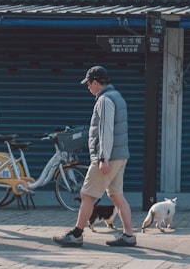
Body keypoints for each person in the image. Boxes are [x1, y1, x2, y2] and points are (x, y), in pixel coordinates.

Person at [53, 66, 137, 247]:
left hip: (109, 157)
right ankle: (129, 235)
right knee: (116, 195)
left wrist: (102, 157)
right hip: (120, 155)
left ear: (96, 83)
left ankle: (76, 234)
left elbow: (106, 130)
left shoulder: (105, 100)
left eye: (89, 84)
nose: (88, 88)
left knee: (87, 194)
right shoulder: (117, 96)